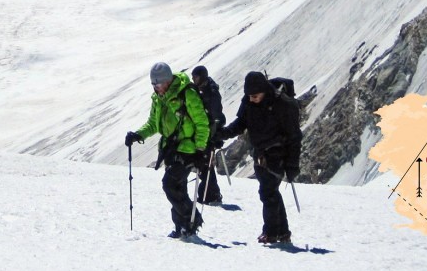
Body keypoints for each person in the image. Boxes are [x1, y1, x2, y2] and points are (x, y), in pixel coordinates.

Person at [125, 61, 211, 238]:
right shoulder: (158, 99)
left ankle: (191, 220)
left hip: (188, 149)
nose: (158, 88)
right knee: (178, 188)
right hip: (170, 149)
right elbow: (153, 124)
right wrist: (138, 135)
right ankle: (182, 228)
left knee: (170, 184)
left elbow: (202, 123)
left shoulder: (186, 93)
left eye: (160, 84)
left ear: (169, 80)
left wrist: (201, 149)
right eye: (154, 85)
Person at [219, 71, 302, 244]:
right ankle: (282, 232)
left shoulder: (282, 105)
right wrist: (223, 133)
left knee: (267, 192)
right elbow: (240, 123)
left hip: (278, 153)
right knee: (270, 192)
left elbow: (294, 137)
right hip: (260, 153)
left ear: (264, 91)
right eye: (249, 96)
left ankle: (271, 233)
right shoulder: (249, 101)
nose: (251, 99)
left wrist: (292, 164)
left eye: (255, 96)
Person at [191, 65, 226, 205]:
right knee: (204, 165)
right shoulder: (203, 89)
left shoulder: (211, 92)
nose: (194, 79)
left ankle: (210, 195)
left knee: (205, 164)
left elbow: (215, 115)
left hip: (209, 133)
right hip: (204, 132)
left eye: (196, 77)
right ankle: (209, 194)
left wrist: (213, 134)